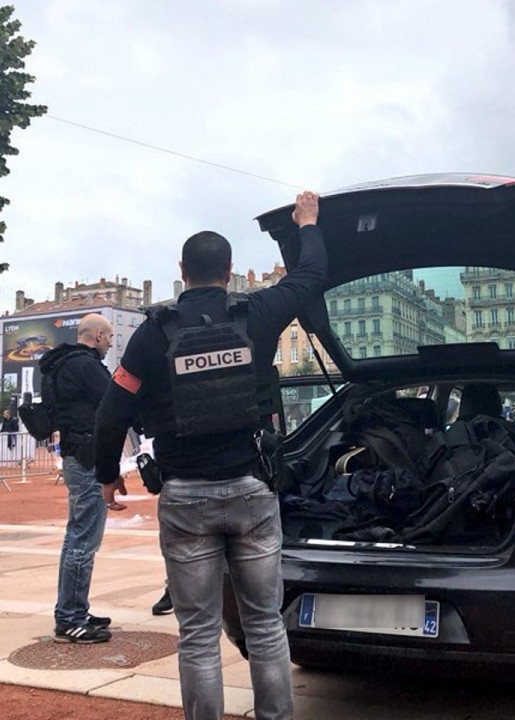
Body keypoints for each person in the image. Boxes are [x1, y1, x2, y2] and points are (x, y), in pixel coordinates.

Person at [94, 190, 327, 720]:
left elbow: (112, 413)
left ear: (182, 272)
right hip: (250, 491)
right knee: (266, 625)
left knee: (198, 634)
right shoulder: (259, 313)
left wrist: (107, 476)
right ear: (230, 271)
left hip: (185, 498)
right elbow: (311, 275)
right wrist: (307, 224)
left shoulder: (153, 334)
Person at [39, 313, 117, 644]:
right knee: (83, 540)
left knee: (77, 537)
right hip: (87, 455)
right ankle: (70, 617)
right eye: (110, 337)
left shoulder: (58, 364)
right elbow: (113, 404)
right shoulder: (87, 366)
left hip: (74, 451)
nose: (111, 343)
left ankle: (74, 609)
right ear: (97, 336)